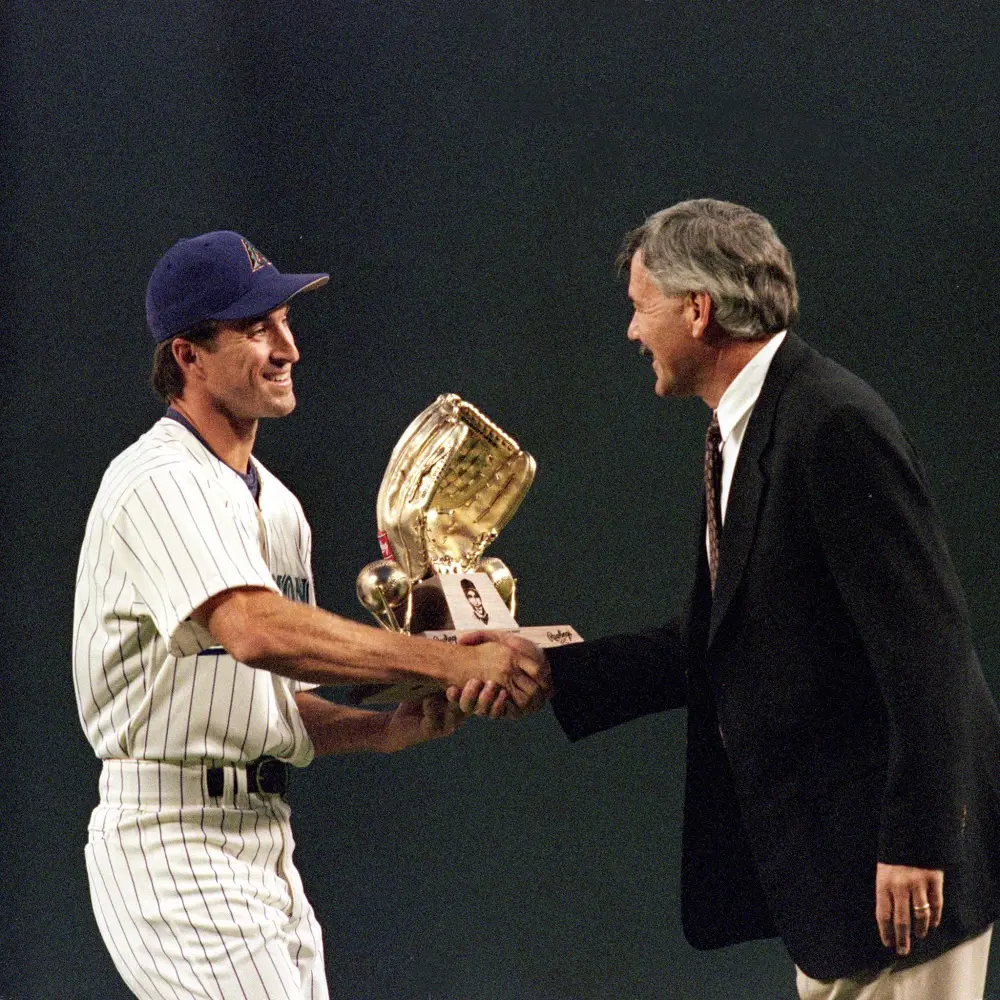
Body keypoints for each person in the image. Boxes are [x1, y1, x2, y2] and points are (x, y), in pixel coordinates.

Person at [459, 199, 1000, 998]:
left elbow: (928, 645)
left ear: (698, 310)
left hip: (898, 873)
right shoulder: (750, 426)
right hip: (837, 872)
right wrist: (549, 667)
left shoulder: (831, 423)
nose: (632, 332)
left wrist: (918, 841)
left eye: (641, 309)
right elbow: (717, 639)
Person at [72, 229, 539, 999]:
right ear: (187, 356)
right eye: (257, 329)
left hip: (264, 840)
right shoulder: (157, 480)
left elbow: (276, 703)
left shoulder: (279, 506)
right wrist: (451, 661)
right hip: (169, 836)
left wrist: (386, 729)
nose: (287, 346)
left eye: (286, 321)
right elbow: (258, 634)